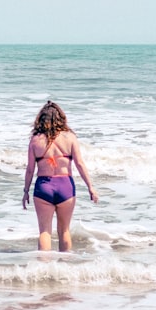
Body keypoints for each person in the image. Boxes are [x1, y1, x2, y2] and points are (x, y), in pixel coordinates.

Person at [23, 101, 98, 252]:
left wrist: (25, 191)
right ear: (61, 118)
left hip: (44, 187)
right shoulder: (70, 138)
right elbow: (80, 164)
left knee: (45, 232)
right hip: (66, 187)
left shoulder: (35, 140)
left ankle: (44, 266)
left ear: (41, 119)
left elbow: (30, 169)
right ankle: (65, 266)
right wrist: (91, 187)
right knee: (64, 231)